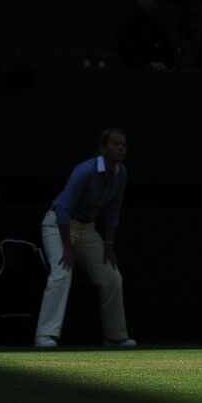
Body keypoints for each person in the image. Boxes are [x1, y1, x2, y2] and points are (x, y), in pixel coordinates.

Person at [33, 127, 137, 349]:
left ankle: (115, 336)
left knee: (111, 276)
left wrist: (109, 244)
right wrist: (67, 247)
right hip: (58, 225)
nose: (120, 148)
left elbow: (114, 211)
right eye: (115, 144)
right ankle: (45, 335)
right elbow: (63, 209)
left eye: (123, 145)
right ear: (102, 148)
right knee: (62, 272)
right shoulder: (85, 171)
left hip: (87, 228)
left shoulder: (121, 174)